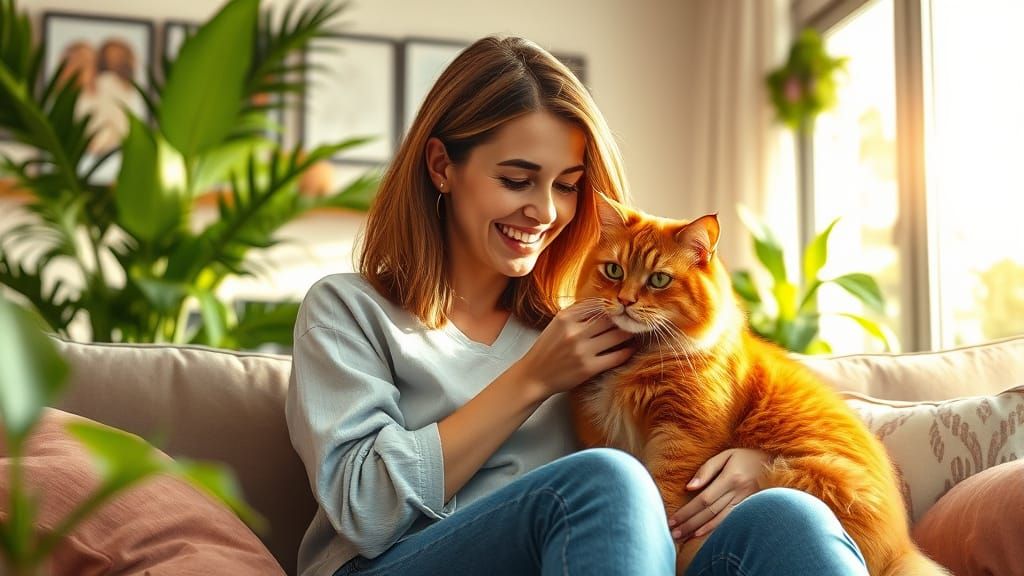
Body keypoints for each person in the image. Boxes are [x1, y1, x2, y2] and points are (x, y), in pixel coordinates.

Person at [285, 35, 869, 576]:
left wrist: (757, 468)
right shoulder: (348, 311)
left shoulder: (598, 325)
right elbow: (362, 510)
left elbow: (694, 424)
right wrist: (533, 379)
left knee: (792, 518)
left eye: (566, 185)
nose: (544, 211)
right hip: (393, 564)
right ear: (442, 167)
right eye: (517, 180)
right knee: (606, 481)